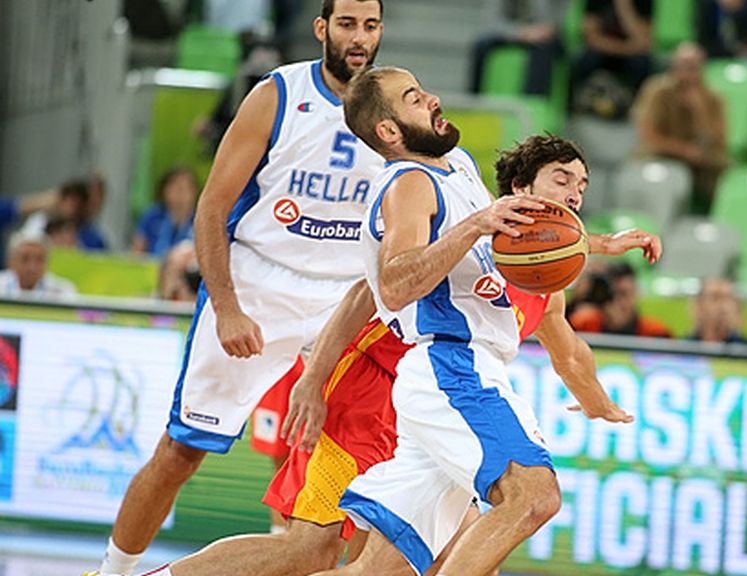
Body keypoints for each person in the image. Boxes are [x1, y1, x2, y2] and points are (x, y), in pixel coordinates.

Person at [139, 134, 659, 576]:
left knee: (398, 565)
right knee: (311, 548)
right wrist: (314, 377)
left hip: (426, 409)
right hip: (378, 388)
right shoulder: (464, 223)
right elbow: (368, 291)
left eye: (582, 186)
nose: (575, 193)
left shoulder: (548, 279)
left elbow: (569, 353)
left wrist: (598, 402)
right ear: (519, 188)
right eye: (563, 180)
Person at [87, 2, 385, 575]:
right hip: (259, 284)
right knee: (181, 451)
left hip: (347, 297)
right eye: (347, 24)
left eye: (370, 26)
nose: (359, 38)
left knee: (371, 461)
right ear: (322, 28)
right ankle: (112, 572)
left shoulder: (393, 103)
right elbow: (212, 208)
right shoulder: (276, 95)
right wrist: (226, 308)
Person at [632, 42, 729, 214]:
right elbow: (648, 135)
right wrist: (685, 151)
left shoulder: (713, 98)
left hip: (701, 162)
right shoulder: (657, 91)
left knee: (724, 171)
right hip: (661, 155)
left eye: (693, 68)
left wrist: (699, 111)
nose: (687, 74)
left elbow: (719, 140)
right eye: (683, 67)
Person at [572, 0, 654, 118]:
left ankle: (638, 110)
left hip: (629, 54)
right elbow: (591, 37)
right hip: (607, 50)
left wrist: (624, 7)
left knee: (642, 63)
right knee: (587, 59)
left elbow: (644, 41)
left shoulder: (645, 3)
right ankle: (580, 103)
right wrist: (624, 48)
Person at [468, 0, 568, 97]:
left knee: (543, 48)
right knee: (482, 43)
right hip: (518, 33)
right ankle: (475, 99)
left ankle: (533, 101)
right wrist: (521, 32)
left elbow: (559, 20)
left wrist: (540, 31)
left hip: (547, 35)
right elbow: (492, 22)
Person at [568, 261, 671, 337]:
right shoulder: (584, 325)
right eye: (612, 294)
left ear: (637, 294)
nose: (617, 302)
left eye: (624, 294)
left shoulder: (655, 333)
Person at [696, 0, 747, 72]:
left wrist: (738, 14)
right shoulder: (708, 7)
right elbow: (704, 43)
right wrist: (732, 52)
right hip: (721, 56)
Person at [132, 167, 198, 257]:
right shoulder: (152, 216)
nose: (181, 193)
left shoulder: (199, 221)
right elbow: (137, 250)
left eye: (186, 188)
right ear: (165, 190)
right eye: (177, 187)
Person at [0, 232, 77, 298]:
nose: (31, 267)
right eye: (24, 259)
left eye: (39, 259)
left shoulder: (63, 291)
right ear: (11, 261)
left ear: (47, 262)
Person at [683, 276, 747, 344]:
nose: (723, 307)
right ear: (698, 305)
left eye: (728, 298)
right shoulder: (681, 351)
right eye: (715, 298)